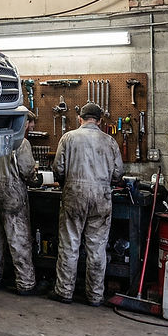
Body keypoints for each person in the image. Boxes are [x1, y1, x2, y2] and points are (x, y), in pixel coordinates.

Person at [49, 103, 124, 306]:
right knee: (97, 247)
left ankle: (64, 292)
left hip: (74, 194)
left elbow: (59, 169)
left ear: (80, 119)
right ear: (100, 121)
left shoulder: (68, 138)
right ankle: (95, 296)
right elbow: (118, 174)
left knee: (69, 244)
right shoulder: (110, 141)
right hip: (101, 196)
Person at [0, 111, 41, 295]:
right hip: (11, 191)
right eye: (30, 124)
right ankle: (25, 284)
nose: (31, 128)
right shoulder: (20, 142)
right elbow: (26, 172)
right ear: (23, 122)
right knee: (19, 239)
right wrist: (36, 179)